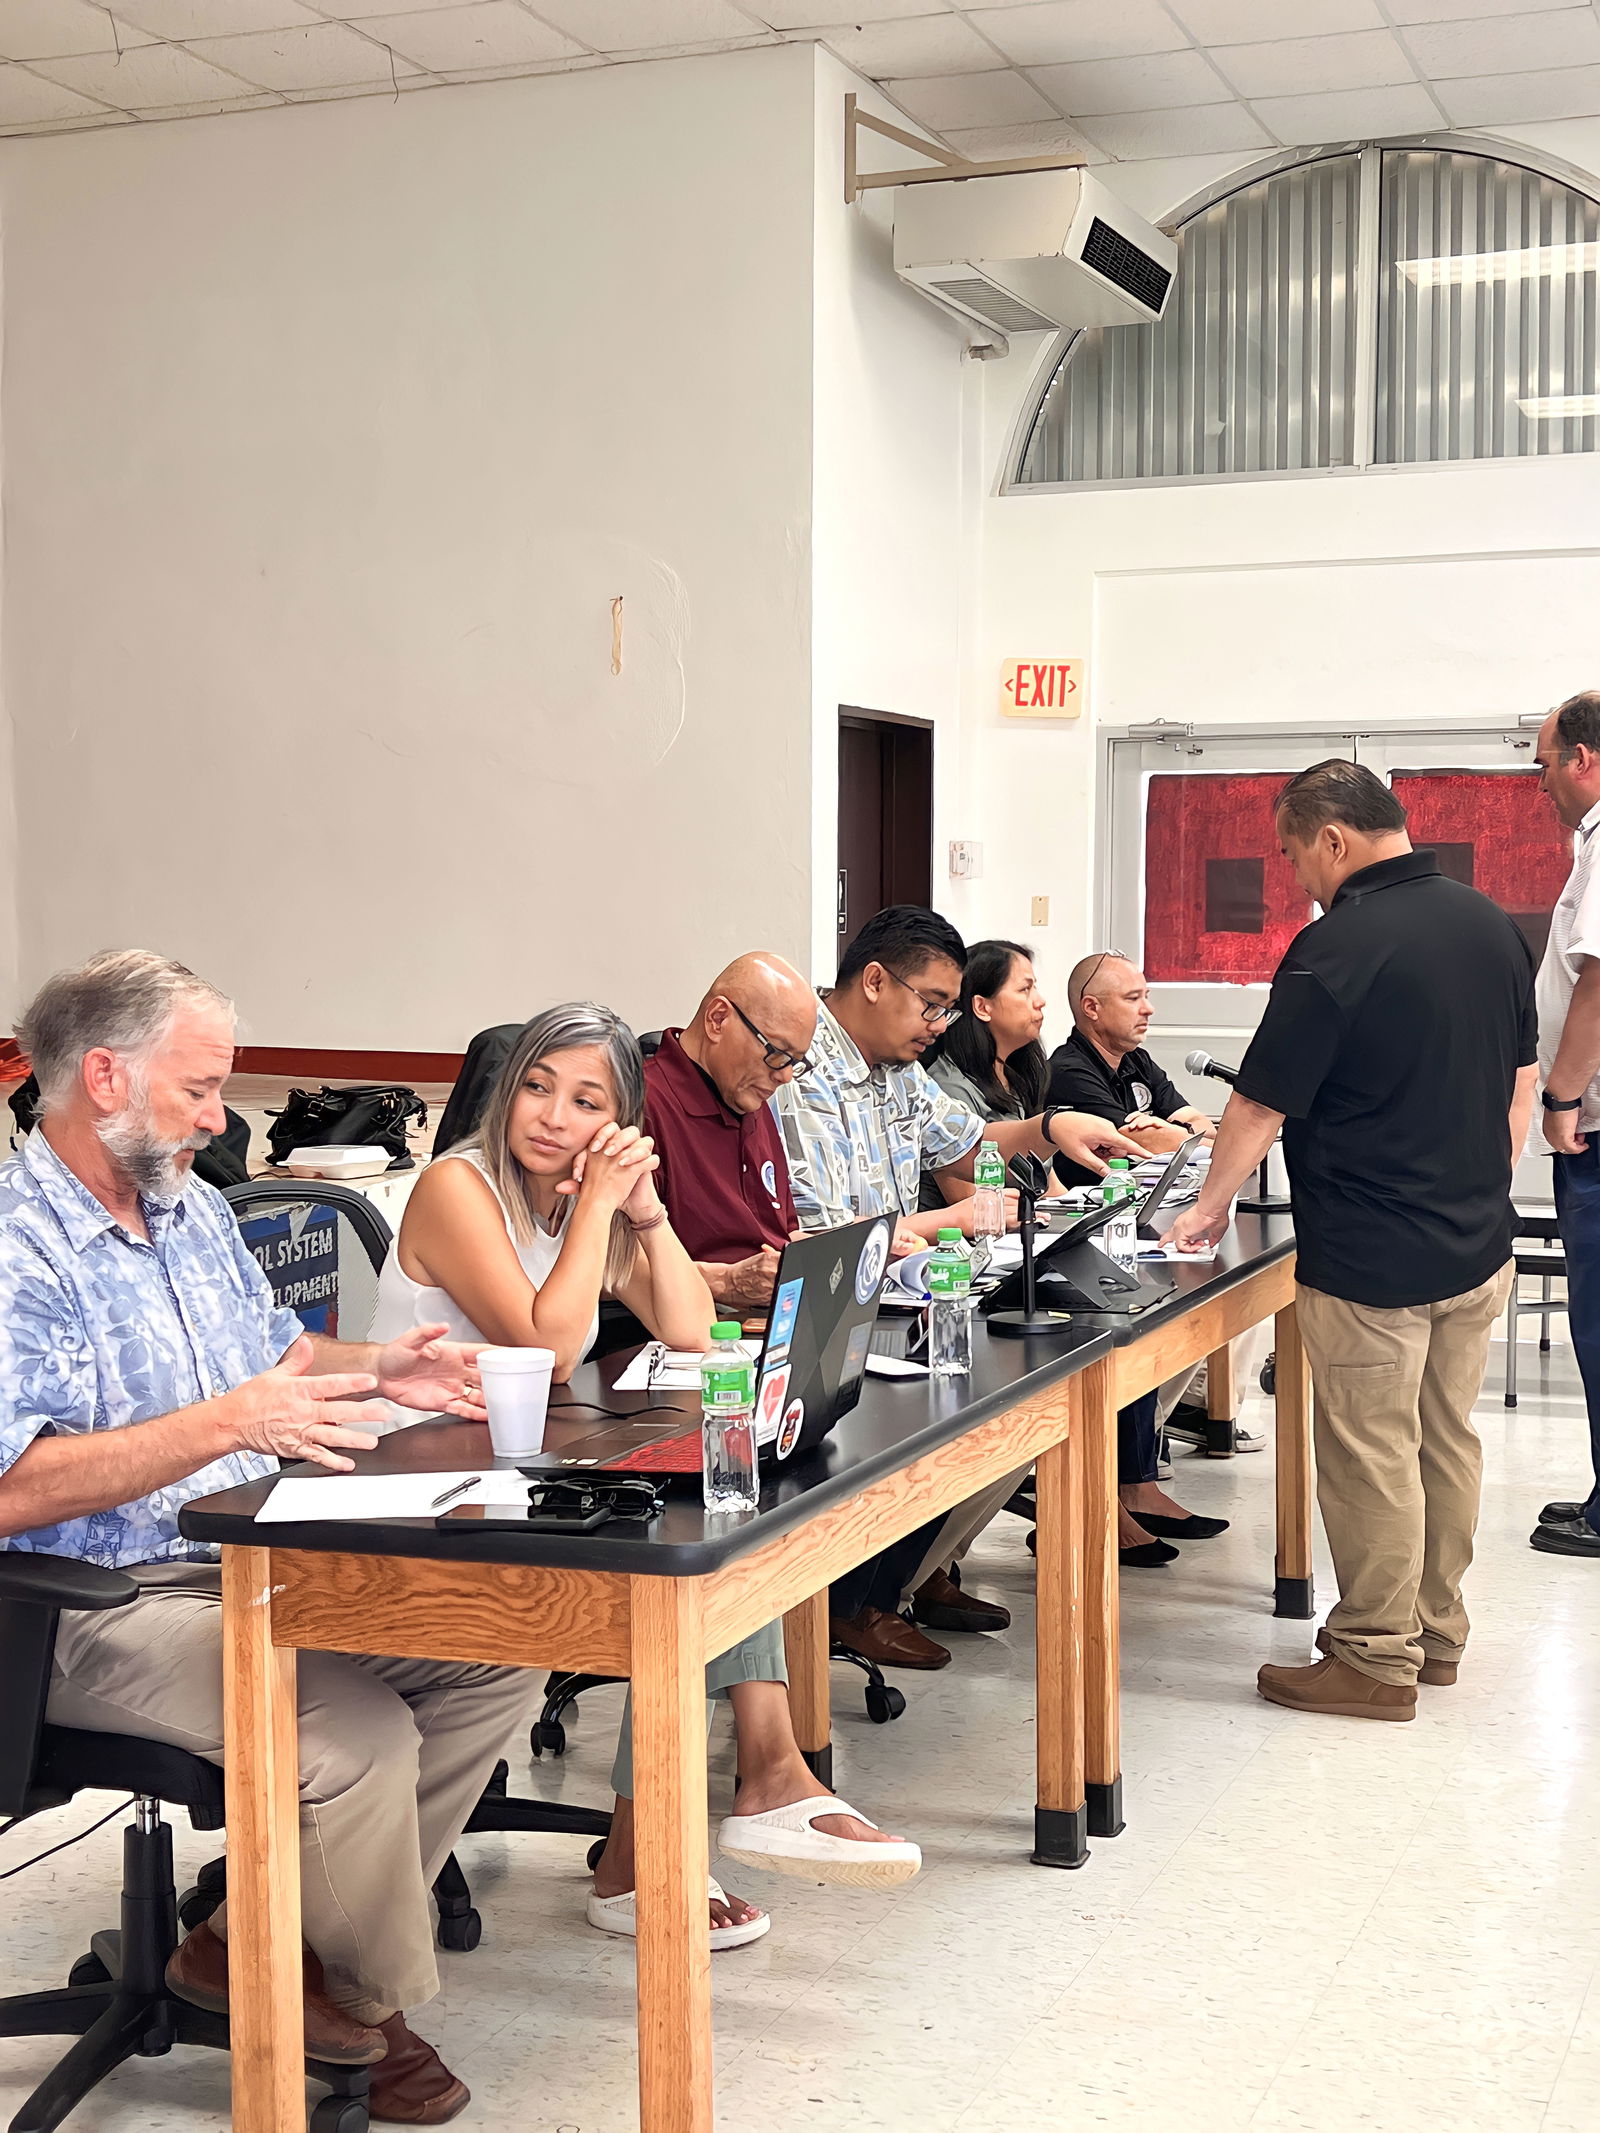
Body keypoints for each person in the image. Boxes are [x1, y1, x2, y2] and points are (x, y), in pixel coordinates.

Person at [0, 951, 538, 2126]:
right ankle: (363, 2003)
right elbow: (11, 1488)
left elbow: (276, 1359)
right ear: (104, 1077)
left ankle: (249, 1941)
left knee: (496, 1653)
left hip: (248, 1558)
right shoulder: (14, 1247)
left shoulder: (188, 1207)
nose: (219, 1118)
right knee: (353, 1736)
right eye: (199, 1089)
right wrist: (226, 1425)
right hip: (86, 1602)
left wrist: (382, 1368)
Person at [372, 1003, 920, 1950]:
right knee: (683, 1551)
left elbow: (691, 1328)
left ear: (620, 1123)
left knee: (717, 1513)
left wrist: (645, 1210)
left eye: (587, 1101)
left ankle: (739, 1789)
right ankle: (717, 1806)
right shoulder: (458, 1186)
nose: (553, 1116)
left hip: (513, 1473)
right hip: (412, 1495)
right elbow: (545, 1347)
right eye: (536, 1087)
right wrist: (597, 1206)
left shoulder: (572, 1202)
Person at [1166, 763, 1538, 1719]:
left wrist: (1206, 1210)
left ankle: (1375, 1656)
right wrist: (1482, 1185)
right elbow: (1521, 1083)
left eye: (1294, 854)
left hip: (1373, 1254)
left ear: (1332, 838)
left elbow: (1260, 1103)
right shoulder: (1491, 925)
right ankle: (1435, 1634)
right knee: (1445, 1439)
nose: (1298, 877)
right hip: (1477, 1243)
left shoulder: (1335, 944)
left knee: (1372, 1449)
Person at [774, 907, 1146, 1665]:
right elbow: (831, 1240)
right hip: (838, 1313)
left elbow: (967, 1140)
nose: (940, 1025)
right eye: (933, 1004)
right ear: (874, 981)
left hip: (905, 1295)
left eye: (948, 1008)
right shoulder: (804, 1073)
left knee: (1021, 1396)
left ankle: (912, 1573)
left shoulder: (896, 1068)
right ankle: (853, 1604)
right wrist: (949, 1218)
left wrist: (1050, 1127)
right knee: (970, 1408)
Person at [924, 941, 1228, 1568]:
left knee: (1139, 1307)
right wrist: (1055, 1204)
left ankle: (1128, 1485)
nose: (1040, 1003)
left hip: (1029, 1243)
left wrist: (1069, 1207)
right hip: (975, 1263)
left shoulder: (1025, 1073)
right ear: (981, 1007)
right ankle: (1091, 1503)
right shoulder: (954, 1084)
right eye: (1025, 989)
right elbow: (970, 1195)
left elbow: (1049, 1180)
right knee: (1107, 1321)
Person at [1528, 689, 1600, 1558]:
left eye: (1544, 763)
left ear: (1584, 758)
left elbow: (1598, 982)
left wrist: (1561, 1098)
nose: (1540, 781)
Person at [641, 952, 814, 1315]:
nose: (785, 1076)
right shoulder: (644, 1104)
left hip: (774, 1318)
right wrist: (726, 1281)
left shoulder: (750, 1098)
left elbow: (782, 1235)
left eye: (795, 1062)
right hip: (691, 1327)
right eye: (777, 1053)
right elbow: (608, 1269)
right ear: (718, 1019)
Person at [1046, 952, 1215, 1186]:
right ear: (1092, 1007)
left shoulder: (1137, 1060)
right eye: (1133, 998)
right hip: (1092, 1202)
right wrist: (1213, 1147)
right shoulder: (1067, 1071)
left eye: (1146, 996)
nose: (1148, 1009)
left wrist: (1173, 1130)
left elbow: (1200, 1123)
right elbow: (1145, 1141)